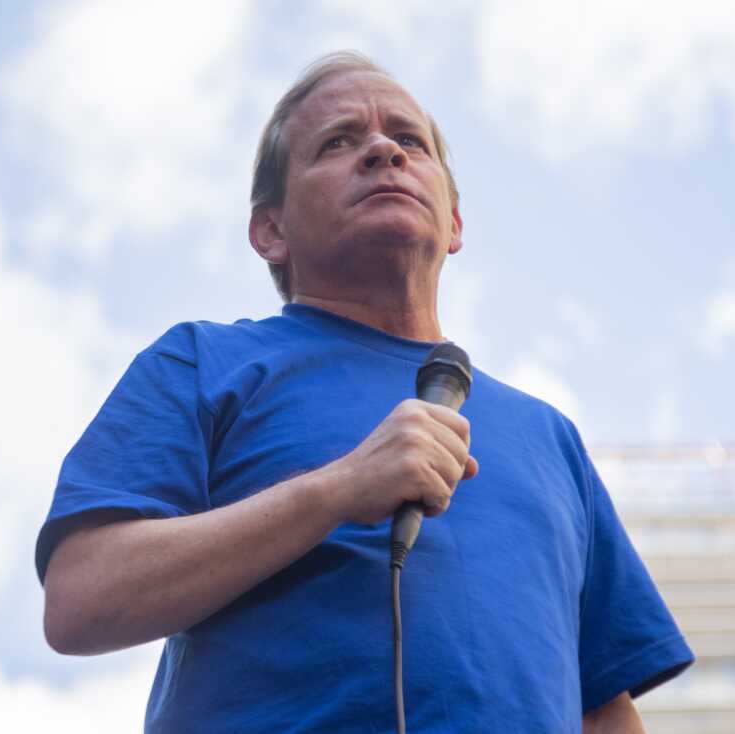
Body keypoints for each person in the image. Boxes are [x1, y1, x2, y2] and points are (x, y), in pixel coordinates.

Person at [36, 51, 693, 733]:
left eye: (409, 140)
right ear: (271, 231)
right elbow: (81, 600)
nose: (383, 149)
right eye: (338, 142)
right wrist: (340, 488)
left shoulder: (550, 437)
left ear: (456, 223)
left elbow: (602, 707)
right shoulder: (203, 362)